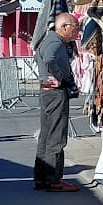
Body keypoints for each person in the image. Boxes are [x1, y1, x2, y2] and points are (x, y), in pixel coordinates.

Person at [34, 11, 81, 191]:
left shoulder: (48, 40)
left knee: (46, 136)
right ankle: (54, 179)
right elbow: (49, 59)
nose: (77, 32)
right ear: (64, 27)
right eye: (75, 28)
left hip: (47, 92)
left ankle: (42, 177)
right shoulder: (55, 42)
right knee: (56, 137)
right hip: (55, 94)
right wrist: (59, 78)